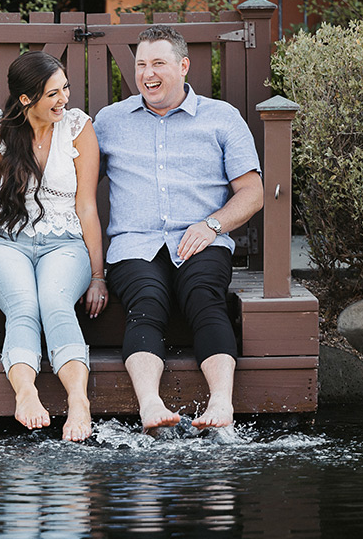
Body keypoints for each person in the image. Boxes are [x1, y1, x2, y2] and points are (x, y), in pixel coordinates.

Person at [93, 25, 264, 431]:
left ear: (183, 66)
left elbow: (252, 192)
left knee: (205, 298)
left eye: (158, 63)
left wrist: (213, 224)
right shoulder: (109, 122)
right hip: (134, 245)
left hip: (202, 239)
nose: (148, 74)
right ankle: (150, 406)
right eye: (141, 65)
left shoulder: (222, 118)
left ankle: (221, 404)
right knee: (146, 302)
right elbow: (76, 189)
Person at [0, 51, 108, 442]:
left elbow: (87, 207)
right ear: (26, 99)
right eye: (53, 94)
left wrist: (97, 276)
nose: (64, 100)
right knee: (25, 305)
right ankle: (26, 393)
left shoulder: (79, 128)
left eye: (66, 89)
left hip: (65, 243)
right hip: (7, 243)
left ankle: (79, 400)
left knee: (54, 302)